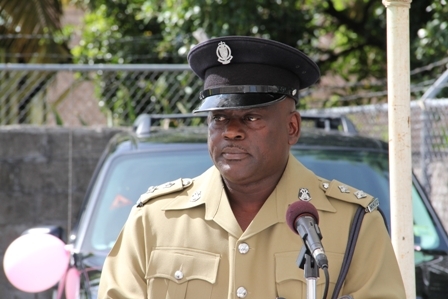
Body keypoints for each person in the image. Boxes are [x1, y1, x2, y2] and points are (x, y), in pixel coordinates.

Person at [98, 36, 406, 299]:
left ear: (292, 127)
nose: (231, 131)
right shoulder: (154, 219)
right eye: (219, 117)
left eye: (251, 117)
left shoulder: (353, 223)